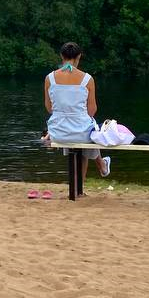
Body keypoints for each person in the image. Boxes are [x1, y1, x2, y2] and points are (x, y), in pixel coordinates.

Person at [44, 42, 109, 189]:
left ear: (61, 56)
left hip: (58, 132)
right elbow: (92, 111)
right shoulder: (87, 79)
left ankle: (80, 186)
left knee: (83, 130)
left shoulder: (50, 78)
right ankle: (97, 170)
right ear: (79, 56)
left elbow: (49, 108)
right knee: (90, 132)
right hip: (80, 133)